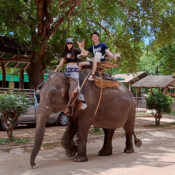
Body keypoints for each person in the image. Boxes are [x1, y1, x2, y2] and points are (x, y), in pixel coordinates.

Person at [54, 38, 87, 113]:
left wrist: (80, 47)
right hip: (68, 70)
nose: (69, 44)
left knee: (75, 86)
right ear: (66, 44)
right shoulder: (65, 52)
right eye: (68, 43)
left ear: (72, 44)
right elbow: (62, 62)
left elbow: (85, 53)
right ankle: (82, 102)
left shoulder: (75, 50)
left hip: (74, 69)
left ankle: (76, 104)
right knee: (70, 86)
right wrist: (56, 69)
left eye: (71, 43)